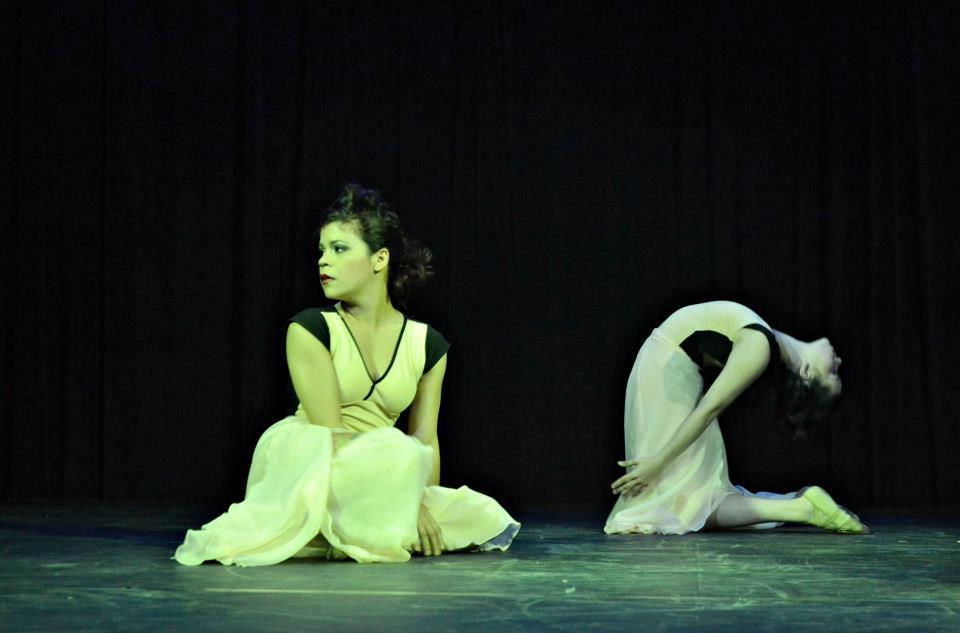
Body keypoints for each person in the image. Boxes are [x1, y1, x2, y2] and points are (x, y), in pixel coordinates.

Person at [175, 184, 519, 565]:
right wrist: (399, 496)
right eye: (322, 251)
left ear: (380, 258)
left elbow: (426, 441)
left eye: (339, 249)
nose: (324, 261)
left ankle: (355, 530)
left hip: (386, 470)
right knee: (393, 456)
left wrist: (420, 502)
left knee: (479, 514)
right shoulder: (311, 329)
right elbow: (331, 435)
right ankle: (342, 527)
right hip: (318, 459)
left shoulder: (427, 345)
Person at [606, 300, 867, 535]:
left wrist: (659, 461)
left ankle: (800, 509)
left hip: (664, 366)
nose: (839, 361)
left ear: (807, 373)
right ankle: (794, 502)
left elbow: (710, 409)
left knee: (671, 506)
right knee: (684, 498)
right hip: (671, 367)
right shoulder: (770, 343)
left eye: (832, 373)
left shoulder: (759, 347)